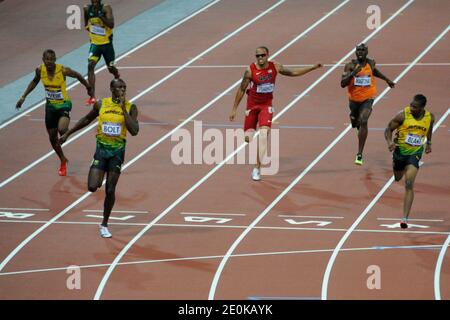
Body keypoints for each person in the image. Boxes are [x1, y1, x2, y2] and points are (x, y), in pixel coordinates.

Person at [59, 78, 139, 238]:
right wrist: (68, 133)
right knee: (92, 187)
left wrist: (123, 109)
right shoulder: (101, 104)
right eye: (119, 88)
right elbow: (87, 119)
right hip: (101, 151)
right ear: (111, 89)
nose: (122, 90)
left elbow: (134, 130)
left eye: (124, 87)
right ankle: (98, 171)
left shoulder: (131, 107)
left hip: (117, 153)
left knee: (110, 189)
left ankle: (104, 224)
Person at [229, 46, 322, 181]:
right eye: (257, 56)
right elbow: (241, 89)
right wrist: (234, 109)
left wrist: (312, 68)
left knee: (263, 134)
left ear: (267, 55)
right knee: (247, 138)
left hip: (266, 106)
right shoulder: (250, 71)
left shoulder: (275, 67)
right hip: (252, 107)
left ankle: (257, 168)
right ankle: (250, 135)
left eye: (262, 55)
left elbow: (293, 73)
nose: (260, 58)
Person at [16, 49, 93, 176]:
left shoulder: (63, 70)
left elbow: (78, 75)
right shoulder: (40, 70)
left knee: (62, 129)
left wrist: (88, 87)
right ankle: (63, 160)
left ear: (55, 59)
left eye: (52, 59)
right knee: (52, 138)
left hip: (63, 105)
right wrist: (23, 97)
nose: (50, 62)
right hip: (50, 108)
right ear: (43, 60)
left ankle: (66, 134)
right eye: (47, 59)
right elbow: (35, 81)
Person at [384, 94, 434, 229]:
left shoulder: (430, 117)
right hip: (399, 153)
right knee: (397, 177)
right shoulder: (402, 116)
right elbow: (388, 129)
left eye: (415, 107)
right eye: (411, 105)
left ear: (422, 108)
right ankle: (397, 165)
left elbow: (429, 129)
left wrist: (428, 142)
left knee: (409, 184)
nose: (411, 108)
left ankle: (404, 218)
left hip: (415, 154)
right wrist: (389, 142)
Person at [341, 43, 396, 165]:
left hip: (368, 98)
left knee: (364, 120)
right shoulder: (349, 66)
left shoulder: (371, 63)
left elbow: (374, 71)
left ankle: (359, 154)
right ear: (355, 52)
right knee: (355, 122)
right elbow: (343, 84)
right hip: (354, 100)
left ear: (367, 52)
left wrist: (387, 79)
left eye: (363, 50)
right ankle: (355, 121)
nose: (360, 52)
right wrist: (353, 73)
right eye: (358, 50)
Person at [84, 0, 120, 105]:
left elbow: (111, 24)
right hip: (95, 44)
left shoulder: (106, 8)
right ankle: (92, 96)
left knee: (111, 69)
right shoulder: (86, 9)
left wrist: (101, 18)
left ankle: (116, 74)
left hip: (107, 44)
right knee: (90, 66)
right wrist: (93, 33)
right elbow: (86, 24)